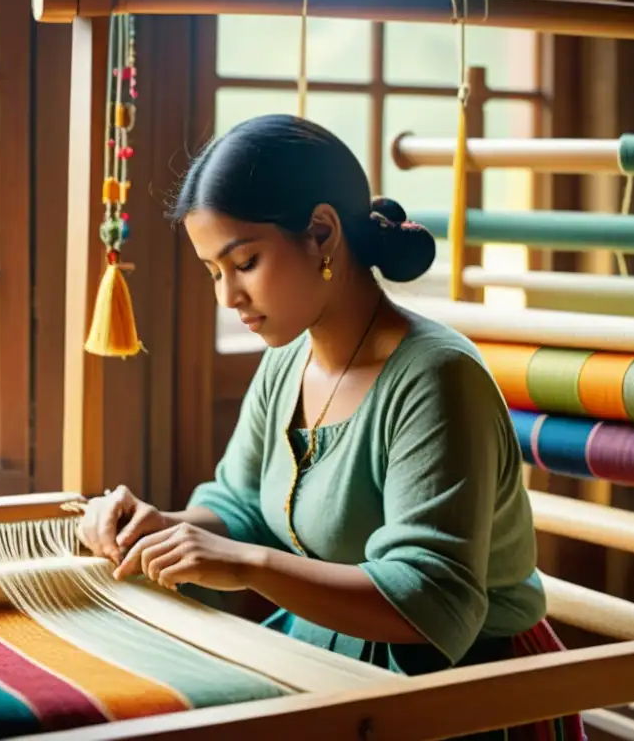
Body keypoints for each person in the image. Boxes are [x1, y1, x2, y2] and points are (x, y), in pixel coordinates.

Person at [78, 114, 585, 740]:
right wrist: (161, 527)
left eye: (246, 262)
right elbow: (238, 506)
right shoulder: (285, 364)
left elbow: (433, 601)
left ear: (321, 232)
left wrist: (245, 565)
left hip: (470, 693)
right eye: (214, 271)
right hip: (330, 663)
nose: (227, 297)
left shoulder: (436, 380)